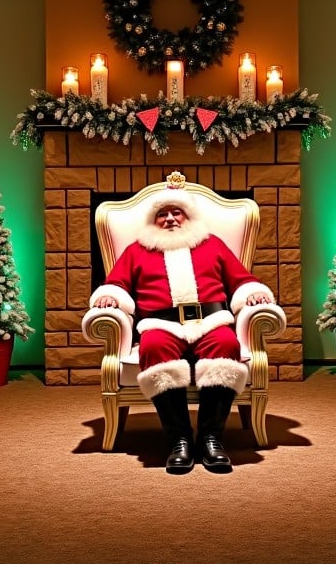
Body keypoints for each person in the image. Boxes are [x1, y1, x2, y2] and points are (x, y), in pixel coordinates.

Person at [89, 171, 277, 474]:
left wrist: (252, 294)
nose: (171, 219)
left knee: (227, 343)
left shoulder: (212, 244)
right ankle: (179, 438)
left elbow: (242, 279)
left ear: (187, 216)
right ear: (154, 221)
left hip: (211, 321)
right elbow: (117, 284)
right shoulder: (137, 250)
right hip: (160, 326)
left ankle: (211, 437)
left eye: (176, 212)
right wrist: (111, 296)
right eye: (163, 214)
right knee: (153, 348)